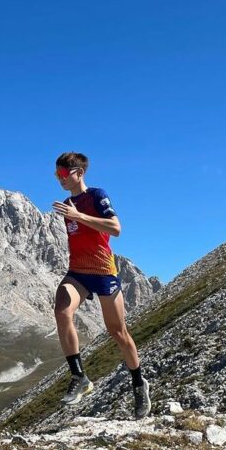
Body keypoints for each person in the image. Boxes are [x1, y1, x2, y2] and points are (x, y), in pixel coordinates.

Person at [52, 151, 152, 419]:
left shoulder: (97, 195)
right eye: (56, 174)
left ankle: (138, 384)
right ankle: (79, 377)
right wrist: (72, 214)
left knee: (118, 333)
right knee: (62, 310)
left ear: (79, 173)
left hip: (104, 272)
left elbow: (115, 228)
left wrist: (79, 216)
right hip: (78, 272)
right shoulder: (66, 205)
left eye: (63, 174)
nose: (59, 179)